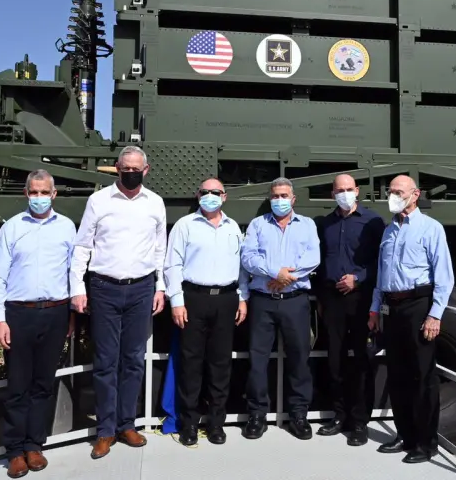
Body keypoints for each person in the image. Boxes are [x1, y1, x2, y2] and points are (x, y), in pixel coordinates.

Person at [69, 146, 167, 459]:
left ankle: (127, 424)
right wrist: (77, 288)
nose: (131, 172)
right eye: (126, 168)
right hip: (104, 288)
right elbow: (82, 247)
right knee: (105, 362)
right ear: (117, 168)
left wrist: (160, 287)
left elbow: (159, 251)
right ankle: (106, 430)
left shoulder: (155, 203)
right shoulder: (98, 201)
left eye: (136, 168)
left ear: (146, 169)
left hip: (141, 289)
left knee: (134, 360)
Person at [0, 170, 77, 478]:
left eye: (44, 192)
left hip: (55, 313)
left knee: (43, 384)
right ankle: (14, 451)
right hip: (19, 314)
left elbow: (73, 273)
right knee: (17, 385)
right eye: (33, 192)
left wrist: (71, 315)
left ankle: (33, 445)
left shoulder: (67, 227)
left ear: (54, 194)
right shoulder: (12, 228)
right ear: (26, 194)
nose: (39, 197)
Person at [368, 175, 454, 464]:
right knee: (398, 375)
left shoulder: (431, 229)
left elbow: (444, 276)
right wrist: (375, 307)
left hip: (418, 306)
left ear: (415, 195)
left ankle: (426, 443)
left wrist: (434, 315)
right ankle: (404, 435)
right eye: (390, 191)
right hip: (392, 309)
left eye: (398, 191)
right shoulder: (389, 230)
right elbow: (382, 274)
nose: (393, 195)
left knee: (422, 377)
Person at [163, 178, 250, 446]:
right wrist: (176, 301)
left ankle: (216, 424)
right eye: (205, 192)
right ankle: (188, 424)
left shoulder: (233, 227)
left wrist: (243, 297)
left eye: (216, 192)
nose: (210, 196)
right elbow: (172, 264)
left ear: (224, 197)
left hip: (226, 300)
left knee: (220, 364)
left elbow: (242, 267)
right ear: (197, 195)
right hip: (193, 300)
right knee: (191, 363)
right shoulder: (185, 225)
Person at [240, 177, 320, 441]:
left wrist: (287, 277)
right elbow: (248, 257)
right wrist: (275, 272)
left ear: (293, 199)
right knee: (257, 360)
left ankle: (298, 415)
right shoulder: (257, 225)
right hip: (263, 301)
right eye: (275, 196)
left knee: (300, 359)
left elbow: (312, 258)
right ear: (269, 198)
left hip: (296, 301)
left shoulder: (307, 225)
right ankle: (257, 415)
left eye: (284, 196)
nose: (279, 200)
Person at [314, 174, 385, 446]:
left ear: (357, 191)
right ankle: (339, 415)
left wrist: (358, 278)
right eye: (339, 190)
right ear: (332, 193)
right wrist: (321, 297)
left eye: (348, 189)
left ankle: (360, 422)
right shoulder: (325, 224)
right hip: (332, 301)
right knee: (335, 360)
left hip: (361, 301)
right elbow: (319, 263)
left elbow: (383, 260)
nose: (344, 193)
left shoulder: (373, 222)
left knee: (361, 361)